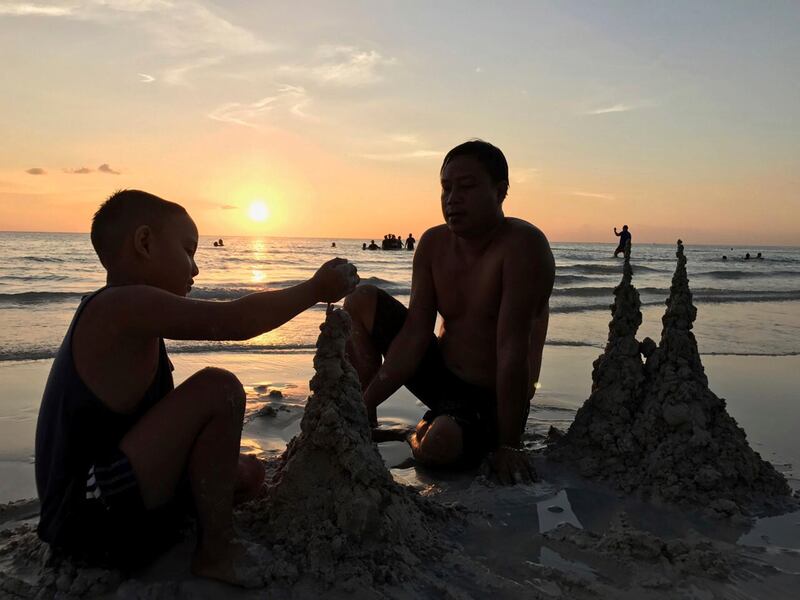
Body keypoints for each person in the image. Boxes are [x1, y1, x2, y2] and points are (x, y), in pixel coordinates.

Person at [35, 190, 358, 584]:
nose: (196, 269)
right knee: (218, 388)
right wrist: (314, 289)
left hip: (114, 501)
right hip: (87, 521)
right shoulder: (118, 308)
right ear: (144, 243)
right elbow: (235, 322)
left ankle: (193, 525)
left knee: (248, 474)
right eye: (189, 251)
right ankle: (215, 555)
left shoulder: (140, 322)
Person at [344, 140, 554, 485]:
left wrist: (510, 444)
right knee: (361, 300)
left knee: (438, 446)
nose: (452, 198)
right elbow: (414, 335)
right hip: (442, 377)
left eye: (467, 187)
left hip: (493, 395)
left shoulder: (522, 247)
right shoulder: (432, 244)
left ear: (500, 192)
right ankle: (361, 416)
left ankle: (412, 434)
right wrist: (366, 399)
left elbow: (513, 351)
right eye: (446, 187)